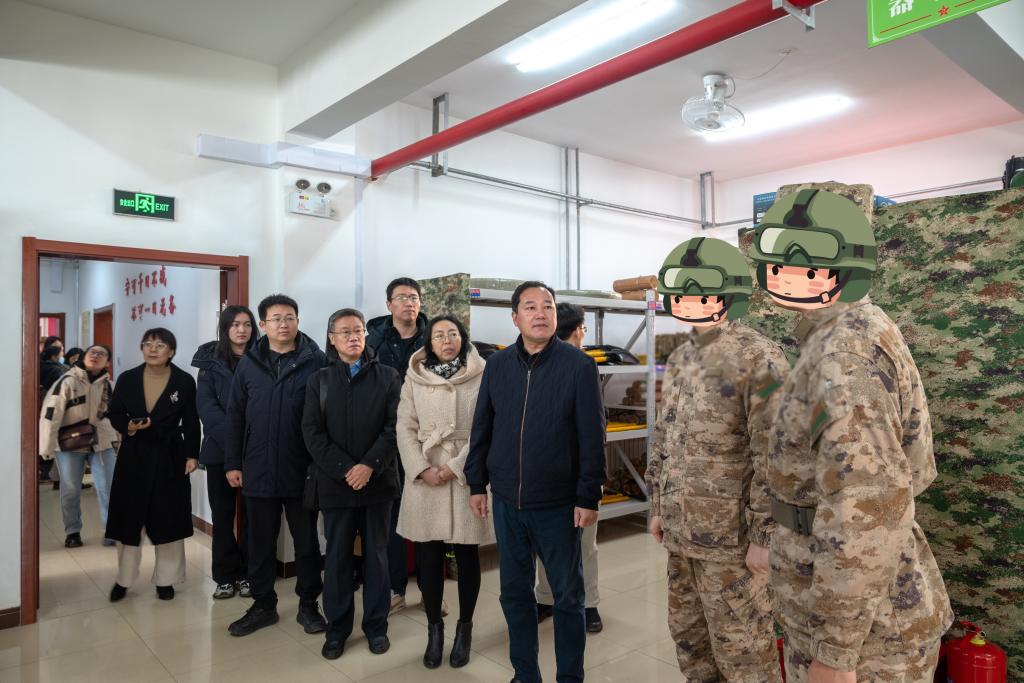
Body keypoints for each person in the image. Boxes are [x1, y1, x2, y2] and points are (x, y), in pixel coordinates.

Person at [749, 188, 953, 683]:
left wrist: (836, 653)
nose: (785, 270)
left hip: (868, 638)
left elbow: (865, 508)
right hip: (847, 601)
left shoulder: (844, 354)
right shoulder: (850, 330)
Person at [645, 237, 787, 682]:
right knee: (691, 644)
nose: (690, 301)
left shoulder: (759, 357)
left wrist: (765, 536)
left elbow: (777, 453)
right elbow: (665, 437)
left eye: (702, 291)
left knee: (744, 656)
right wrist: (659, 506)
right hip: (682, 536)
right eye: (682, 292)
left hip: (733, 545)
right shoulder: (681, 356)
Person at [465, 281, 606, 683]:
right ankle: (525, 673)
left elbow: (592, 436)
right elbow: (483, 426)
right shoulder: (497, 365)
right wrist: (476, 483)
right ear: (515, 318)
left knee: (567, 597)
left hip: (559, 504)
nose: (540, 313)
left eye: (548, 306)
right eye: (530, 306)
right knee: (514, 594)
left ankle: (570, 677)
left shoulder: (578, 366)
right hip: (507, 502)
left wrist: (588, 496)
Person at [224, 294, 328, 637]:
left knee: (307, 544)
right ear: (263, 325)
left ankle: (309, 605)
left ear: (298, 321)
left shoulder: (316, 361)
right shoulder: (249, 364)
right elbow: (235, 416)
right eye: (276, 319)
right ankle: (263, 605)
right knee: (260, 543)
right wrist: (233, 462)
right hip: (258, 468)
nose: (283, 324)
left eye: (289, 317)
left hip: (304, 470)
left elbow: (328, 416)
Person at [301, 308, 401, 660]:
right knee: (338, 559)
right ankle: (337, 630)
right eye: (344, 332)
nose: (353, 336)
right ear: (332, 338)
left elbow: (395, 427)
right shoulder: (319, 380)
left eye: (358, 330)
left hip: (378, 483)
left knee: (377, 558)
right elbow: (311, 432)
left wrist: (369, 466)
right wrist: (347, 469)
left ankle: (376, 627)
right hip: (336, 484)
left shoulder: (388, 376)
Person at [396, 315, 492, 669]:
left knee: (467, 555)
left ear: (463, 338)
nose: (447, 340)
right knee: (428, 556)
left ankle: (465, 628)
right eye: (439, 335)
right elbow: (404, 426)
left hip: (465, 473)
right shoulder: (414, 376)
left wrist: (455, 467)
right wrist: (421, 468)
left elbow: (486, 426)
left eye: (453, 333)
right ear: (429, 342)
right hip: (425, 476)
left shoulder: (482, 374)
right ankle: (434, 629)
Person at [105, 328, 200, 602]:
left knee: (169, 518)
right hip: (134, 455)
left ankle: (166, 580)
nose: (153, 349)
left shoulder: (183, 381)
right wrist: (129, 426)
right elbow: (114, 412)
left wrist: (192, 454)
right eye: (148, 344)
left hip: (170, 455)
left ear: (171, 351)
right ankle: (124, 579)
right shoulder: (127, 379)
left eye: (160, 345)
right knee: (128, 520)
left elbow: (191, 421)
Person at [534, 302, 603, 634]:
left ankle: (587, 604)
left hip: (578, 473)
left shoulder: (583, 366)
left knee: (580, 542)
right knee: (555, 543)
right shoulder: (541, 365)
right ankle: (547, 598)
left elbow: (593, 429)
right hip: (549, 472)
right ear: (578, 331)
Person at [366, 276, 428, 614]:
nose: (409, 302)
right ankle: (395, 588)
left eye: (414, 297)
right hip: (387, 437)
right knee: (391, 516)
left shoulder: (434, 338)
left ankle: (431, 590)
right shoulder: (372, 342)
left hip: (427, 438)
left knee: (428, 513)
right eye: (402, 297)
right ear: (389, 304)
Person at [192, 305, 259, 600]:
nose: (241, 330)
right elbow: (207, 409)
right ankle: (225, 576)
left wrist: (251, 441)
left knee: (254, 517)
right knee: (222, 515)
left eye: (247, 324)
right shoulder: (210, 363)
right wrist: (235, 442)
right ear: (225, 328)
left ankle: (249, 574)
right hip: (220, 451)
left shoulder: (263, 358)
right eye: (234, 324)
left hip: (256, 451)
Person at [39, 344, 119, 548]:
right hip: (70, 443)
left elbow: (117, 416)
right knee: (70, 489)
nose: (96, 356)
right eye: (93, 352)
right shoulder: (66, 381)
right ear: (84, 357)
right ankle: (72, 531)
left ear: (107, 362)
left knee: (108, 488)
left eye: (102, 354)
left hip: (102, 442)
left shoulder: (109, 385)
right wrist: (46, 446)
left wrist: (119, 442)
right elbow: (50, 414)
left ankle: (112, 530)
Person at [38, 339, 67, 487]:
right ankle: (50, 474)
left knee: (43, 437)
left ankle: (44, 473)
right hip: (54, 406)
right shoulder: (57, 370)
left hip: (40, 406)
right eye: (60, 350)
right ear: (55, 355)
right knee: (53, 438)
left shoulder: (38, 365)